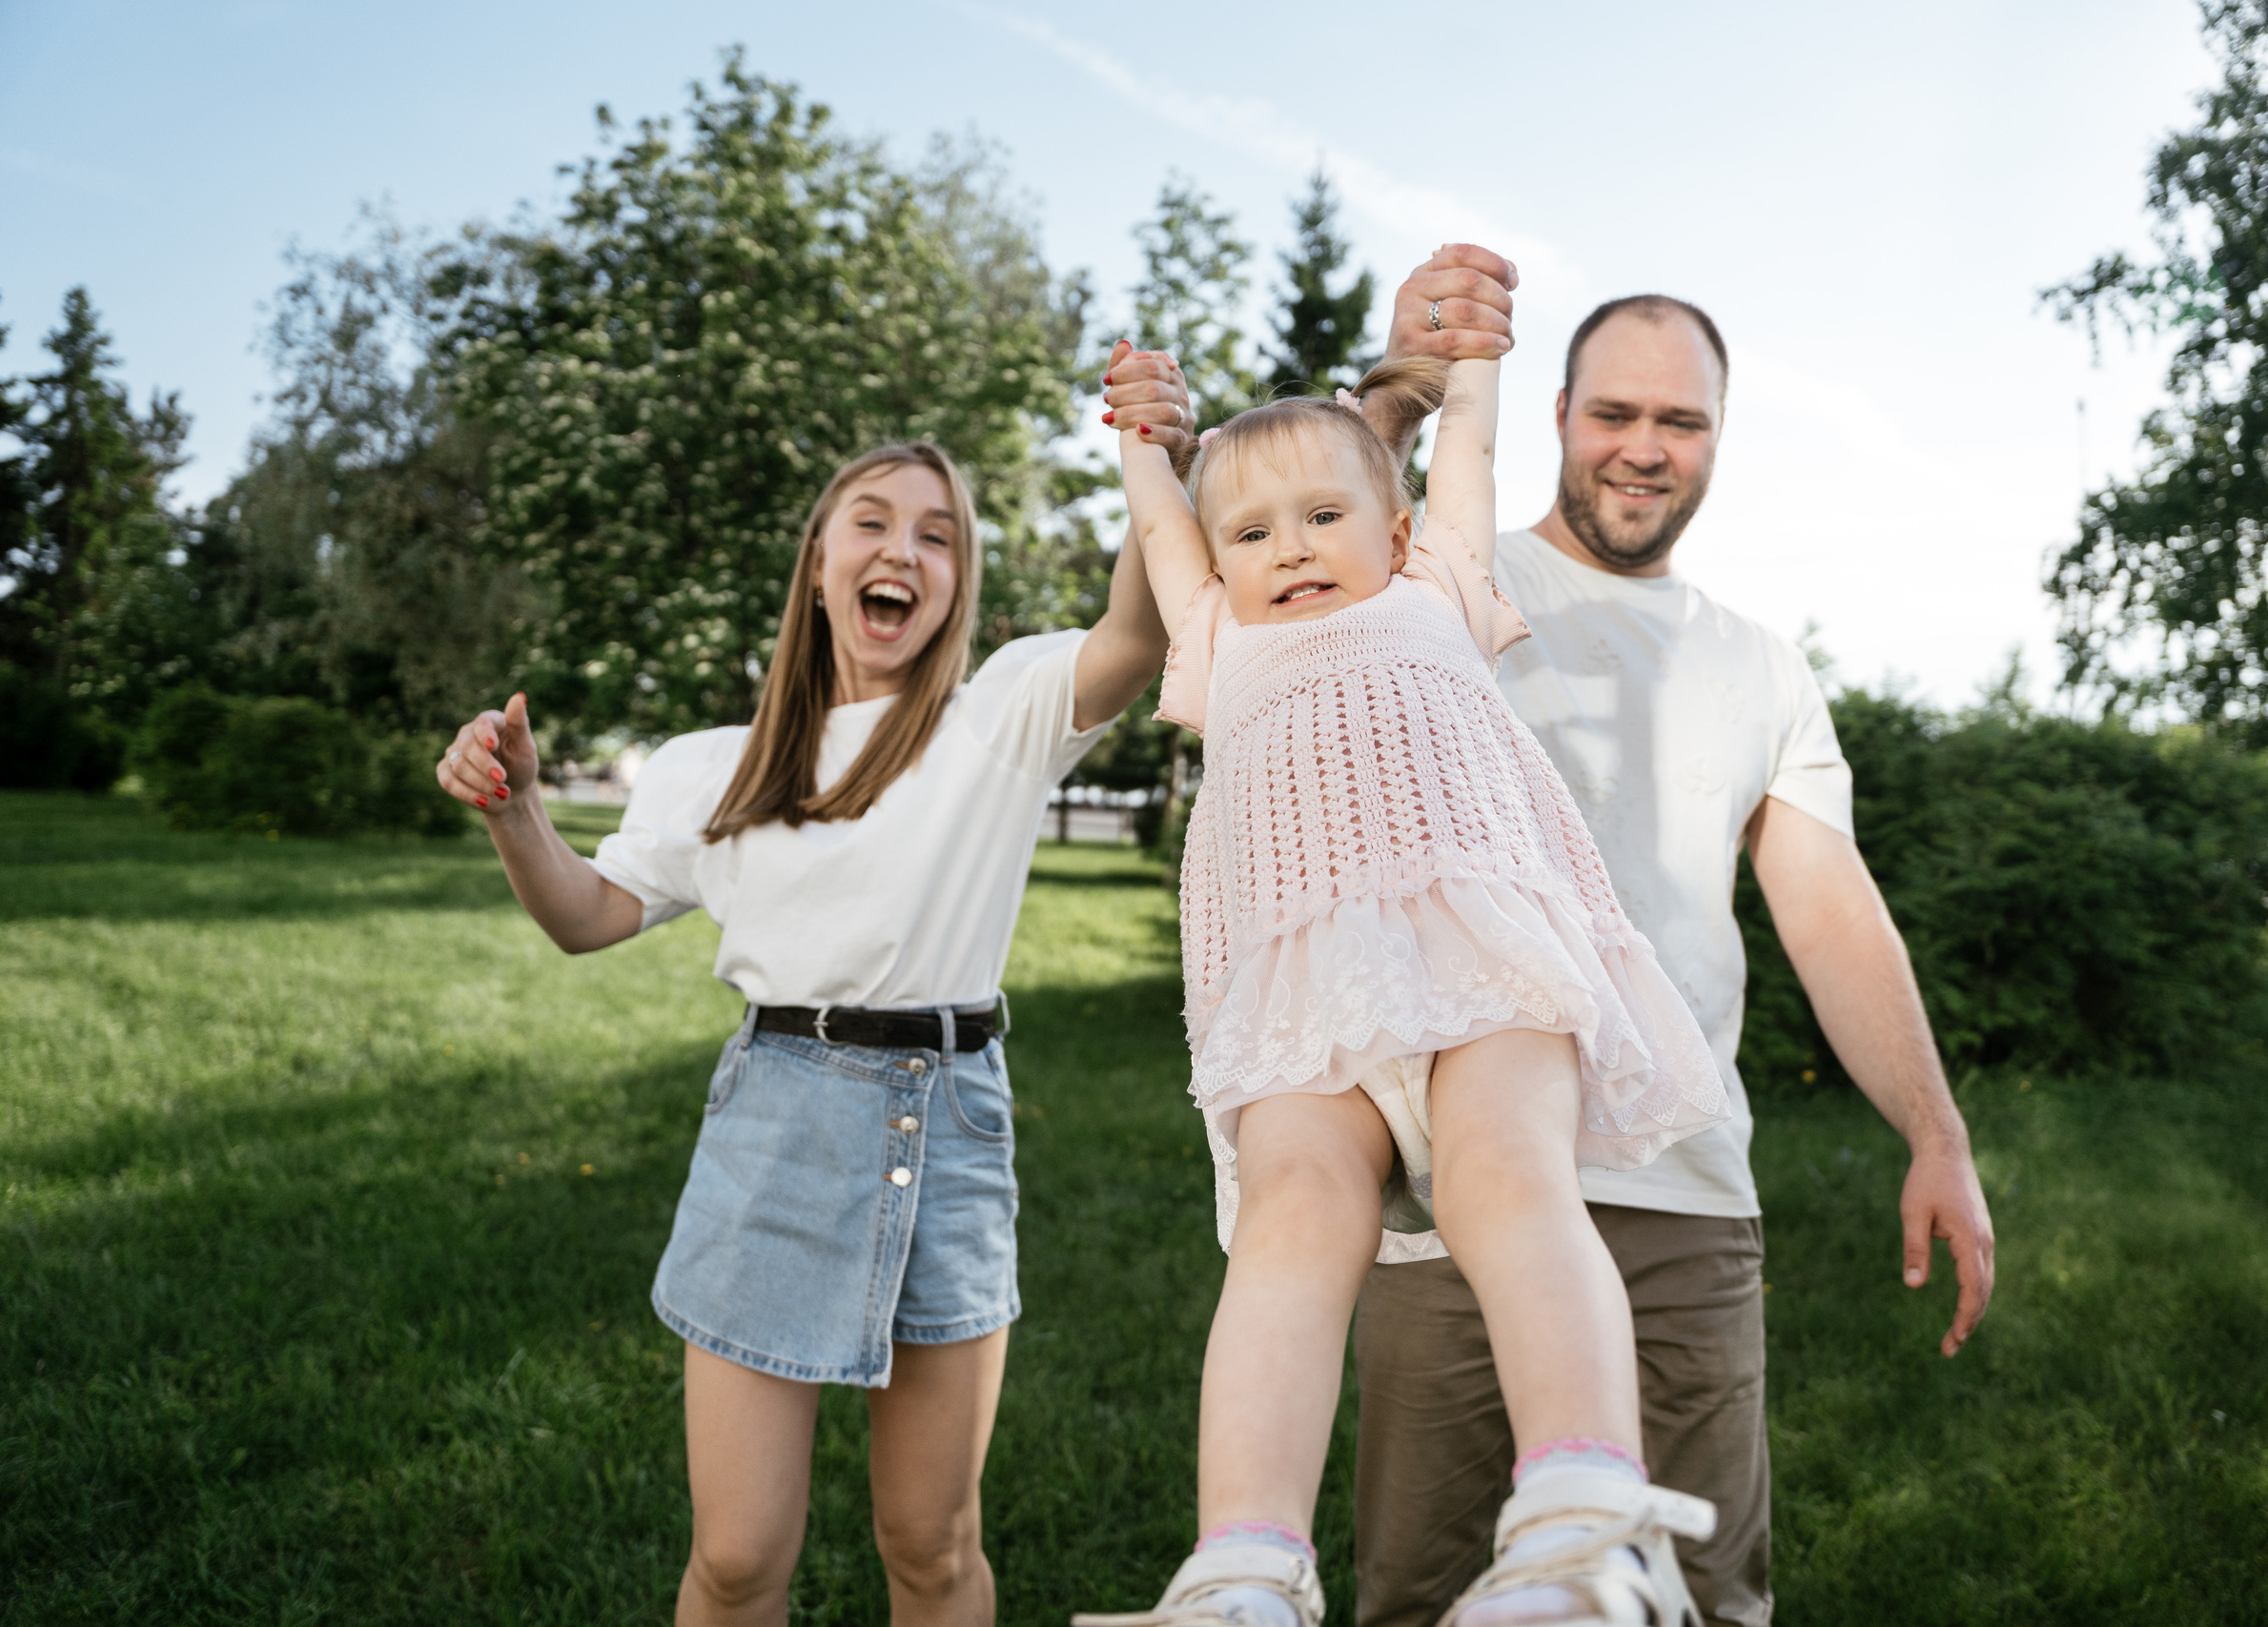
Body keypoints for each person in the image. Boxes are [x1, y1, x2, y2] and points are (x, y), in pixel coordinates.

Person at [432, 346, 1195, 1627]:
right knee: (737, 1558)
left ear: (957, 584)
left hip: (949, 1128)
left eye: (939, 535)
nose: (903, 550)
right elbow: (591, 916)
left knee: (933, 1546)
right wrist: (515, 815)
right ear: (821, 565)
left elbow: (1142, 626)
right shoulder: (712, 770)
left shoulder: (1000, 717)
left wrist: (1151, 450)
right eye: (874, 523)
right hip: (777, 1131)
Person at [1347, 250, 1999, 1627]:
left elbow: (1827, 907)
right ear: (1560, 415)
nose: (1644, 450)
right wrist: (1398, 395)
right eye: (1614, 415)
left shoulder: (1760, 663)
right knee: (1421, 1590)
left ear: (1717, 441)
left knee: (1703, 1597)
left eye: (1682, 422)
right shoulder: (1440, 576)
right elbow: (1307, 536)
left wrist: (1936, 1133)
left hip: (1685, 1197)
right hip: (1449, 1190)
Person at [1075, 333, 1731, 1627]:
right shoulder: (1215, 638)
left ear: (1399, 525)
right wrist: (1148, 440)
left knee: (1509, 1176)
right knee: (1290, 1221)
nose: (1293, 549)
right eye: (1252, 534)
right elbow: (1164, 529)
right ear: (1220, 565)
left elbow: (1470, 447)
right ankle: (1244, 1568)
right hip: (1305, 997)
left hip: (1480, 959)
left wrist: (1474, 359)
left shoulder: (1437, 590)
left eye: (1324, 515)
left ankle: (1582, 1514)